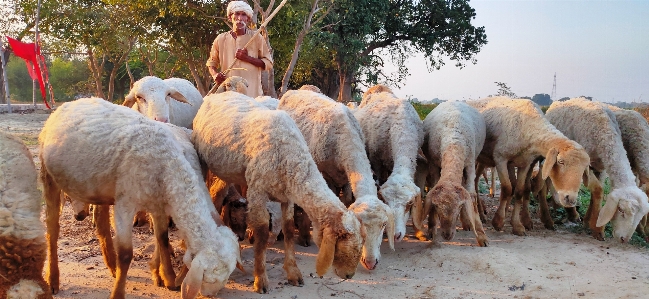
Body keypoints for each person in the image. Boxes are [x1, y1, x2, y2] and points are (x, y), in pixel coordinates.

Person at [206, 0, 273, 98]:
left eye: (244, 15)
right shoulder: (220, 39)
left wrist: (247, 58)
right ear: (230, 17)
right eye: (237, 14)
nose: (240, 18)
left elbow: (268, 63)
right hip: (228, 93)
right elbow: (211, 63)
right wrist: (215, 75)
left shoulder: (257, 38)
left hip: (252, 94)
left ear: (248, 19)